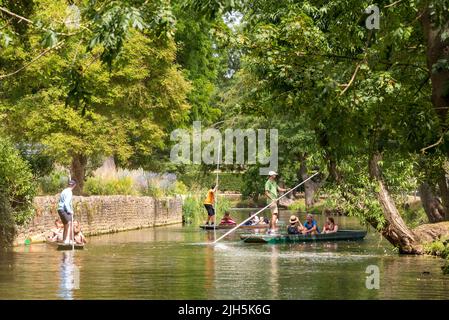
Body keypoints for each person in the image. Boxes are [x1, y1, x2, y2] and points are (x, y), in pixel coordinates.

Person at [57, 179, 77, 245]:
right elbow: (66, 203)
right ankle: (68, 240)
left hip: (59, 209)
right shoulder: (69, 192)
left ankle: (64, 240)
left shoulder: (64, 190)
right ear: (74, 186)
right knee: (70, 223)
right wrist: (70, 211)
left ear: (69, 184)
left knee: (66, 225)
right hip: (64, 209)